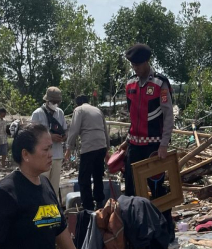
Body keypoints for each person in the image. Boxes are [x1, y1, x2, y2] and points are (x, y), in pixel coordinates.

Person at [118, 44, 174, 231]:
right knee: (132, 189)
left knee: (157, 188)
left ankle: (166, 229)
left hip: (154, 146)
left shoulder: (160, 83)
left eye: (139, 65)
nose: (136, 68)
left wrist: (164, 144)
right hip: (134, 145)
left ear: (147, 62)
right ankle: (136, 229)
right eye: (133, 65)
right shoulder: (130, 84)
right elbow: (132, 117)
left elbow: (168, 116)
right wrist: (126, 142)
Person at [67, 95, 110, 210]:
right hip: (101, 145)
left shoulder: (79, 110)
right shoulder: (97, 110)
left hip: (89, 147)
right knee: (97, 175)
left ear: (78, 104)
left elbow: (74, 130)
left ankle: (88, 206)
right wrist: (107, 149)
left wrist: (68, 147)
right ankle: (100, 202)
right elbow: (105, 130)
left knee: (83, 179)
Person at [30, 87, 68, 196]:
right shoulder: (37, 114)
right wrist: (50, 137)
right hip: (42, 156)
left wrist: (63, 136)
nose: (55, 104)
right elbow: (32, 135)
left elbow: (65, 129)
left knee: (54, 188)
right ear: (47, 100)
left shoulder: (60, 113)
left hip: (57, 155)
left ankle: (52, 210)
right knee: (41, 186)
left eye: (57, 102)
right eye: (53, 102)